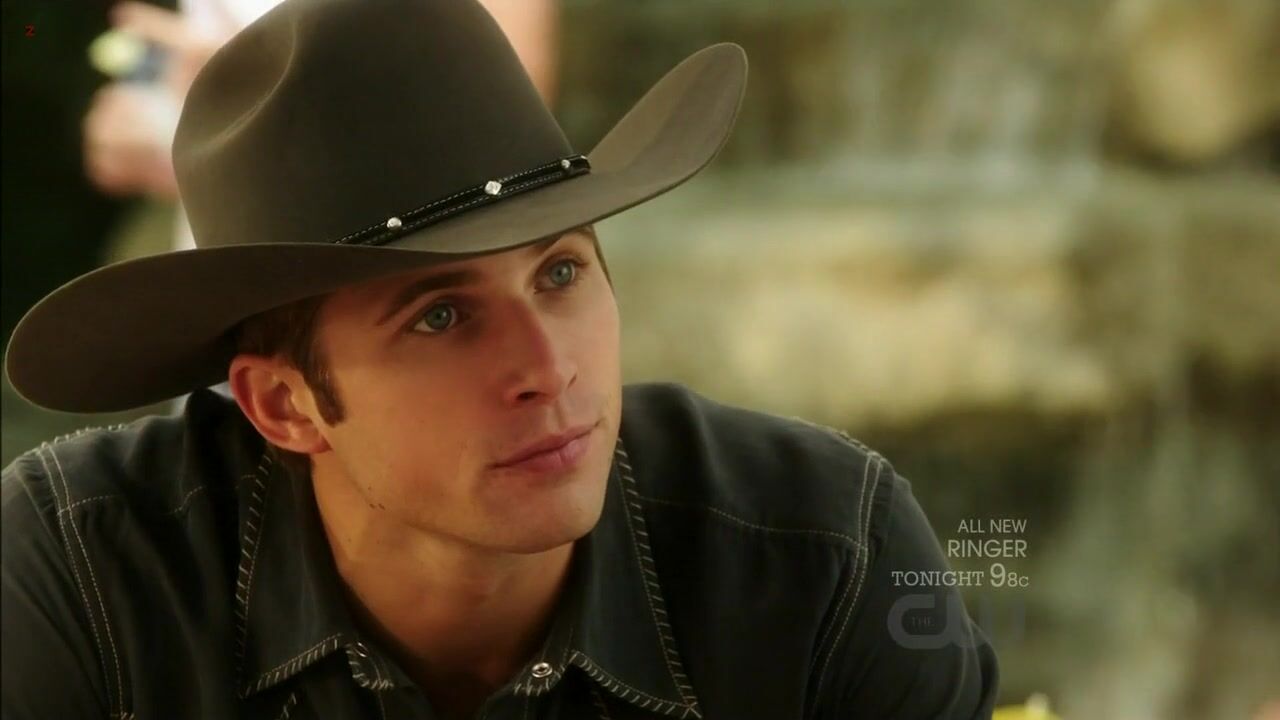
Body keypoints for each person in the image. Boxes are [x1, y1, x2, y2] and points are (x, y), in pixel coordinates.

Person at [1, 0, 1000, 718]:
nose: (547, 367)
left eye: (559, 273)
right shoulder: (84, 575)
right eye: (440, 317)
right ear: (283, 406)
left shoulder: (824, 552)